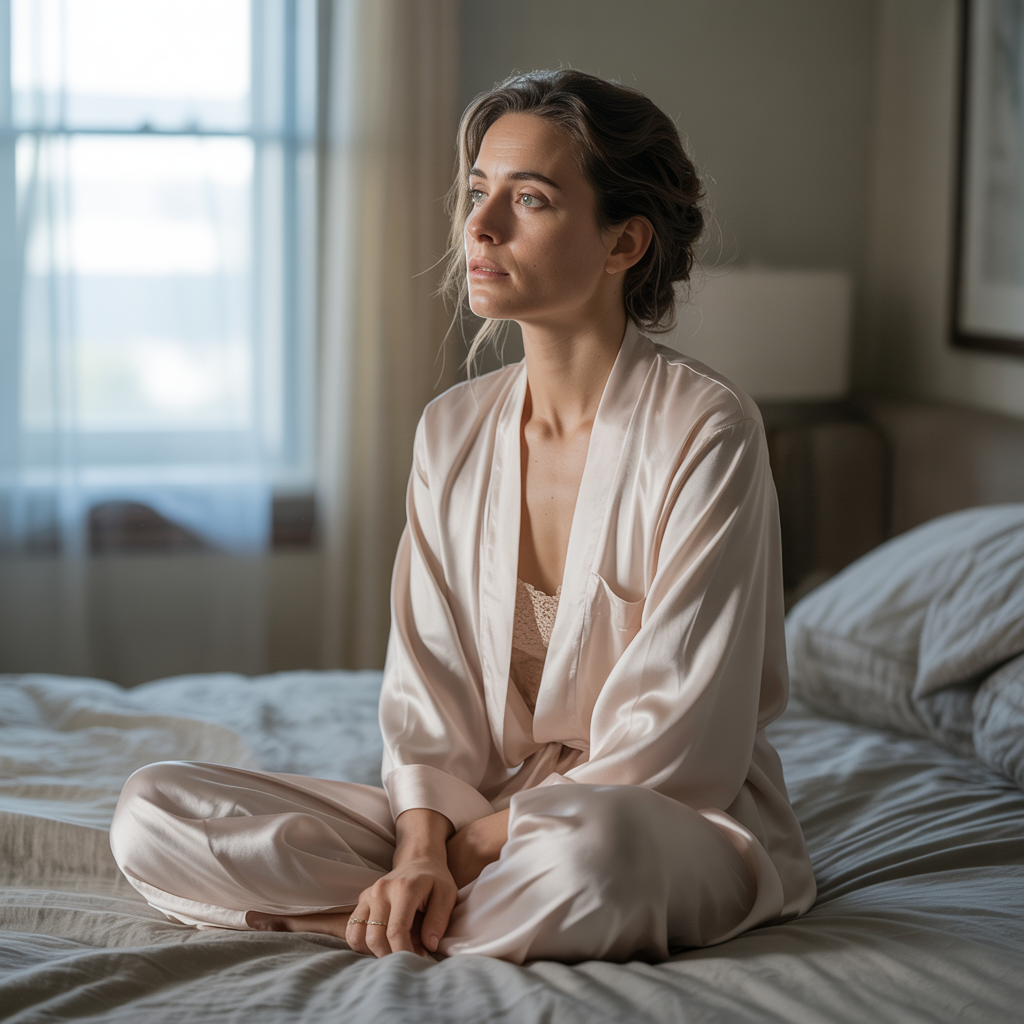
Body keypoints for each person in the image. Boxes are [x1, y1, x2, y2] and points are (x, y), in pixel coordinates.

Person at [110, 69, 816, 965]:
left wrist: (461, 852)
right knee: (152, 810)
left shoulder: (706, 431)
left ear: (623, 242)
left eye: (529, 199)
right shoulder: (451, 430)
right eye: (479, 192)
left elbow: (680, 740)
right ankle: (394, 916)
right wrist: (419, 847)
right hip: (475, 810)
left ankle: (368, 920)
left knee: (591, 859)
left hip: (655, 821)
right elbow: (426, 689)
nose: (480, 227)